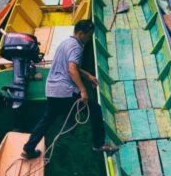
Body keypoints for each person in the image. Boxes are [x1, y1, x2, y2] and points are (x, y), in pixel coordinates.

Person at [22, 19, 111, 158]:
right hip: (64, 90)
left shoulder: (65, 43)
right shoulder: (77, 47)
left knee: (47, 120)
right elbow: (71, 69)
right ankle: (99, 145)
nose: (88, 39)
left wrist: (87, 75)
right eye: (88, 36)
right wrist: (83, 90)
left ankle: (29, 148)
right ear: (81, 33)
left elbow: (72, 66)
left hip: (52, 89)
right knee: (95, 110)